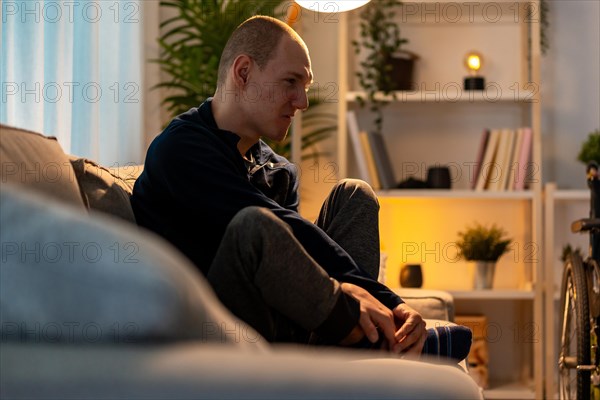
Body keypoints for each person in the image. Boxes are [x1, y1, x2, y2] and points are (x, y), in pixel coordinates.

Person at [131, 15, 470, 359]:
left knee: (355, 194)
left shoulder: (277, 169)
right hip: (215, 326)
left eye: (305, 88)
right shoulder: (181, 149)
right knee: (256, 225)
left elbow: (294, 262)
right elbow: (280, 230)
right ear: (244, 72)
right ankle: (381, 340)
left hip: (284, 322)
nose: (302, 102)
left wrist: (359, 293)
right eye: (290, 81)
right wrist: (386, 300)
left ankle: (370, 337)